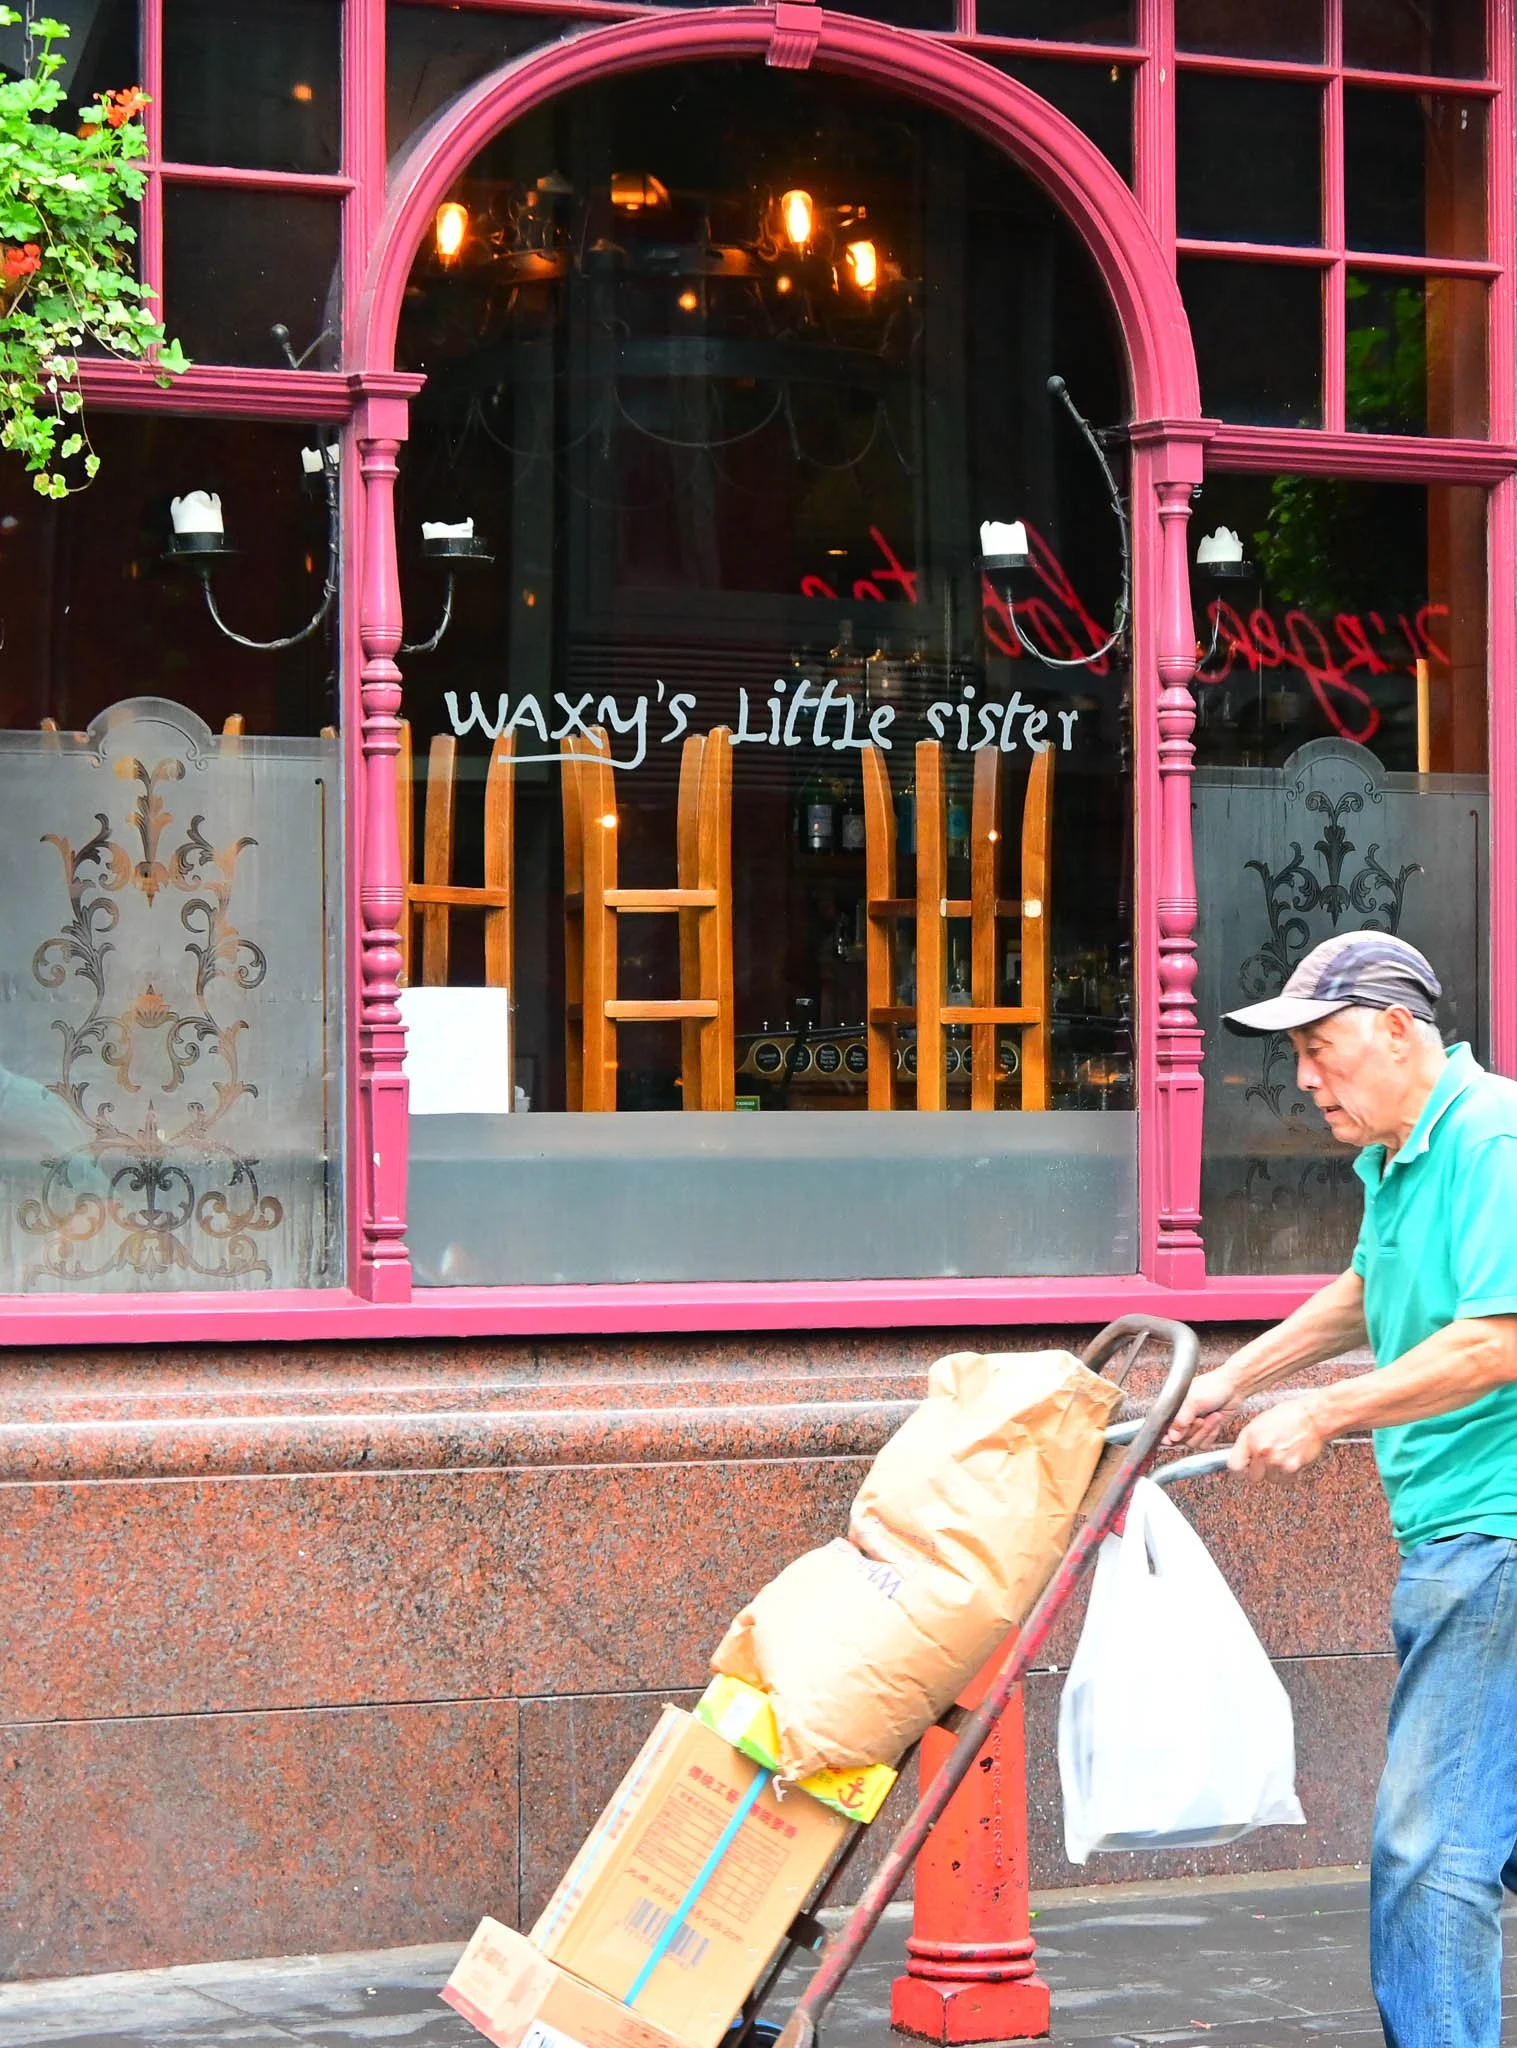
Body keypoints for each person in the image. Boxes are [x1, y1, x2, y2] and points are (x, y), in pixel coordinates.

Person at [1166, 930, 1517, 2048]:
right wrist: (1232, 1380)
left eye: (1321, 1049)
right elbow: (1370, 1289)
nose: (1306, 1079)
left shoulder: (1492, 1138)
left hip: (1496, 1535)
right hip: (1458, 1533)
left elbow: (1498, 1338)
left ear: (1398, 1030)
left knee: (1430, 1848)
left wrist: (1322, 1412)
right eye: (1298, 1056)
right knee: (1485, 1830)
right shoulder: (1404, 1153)